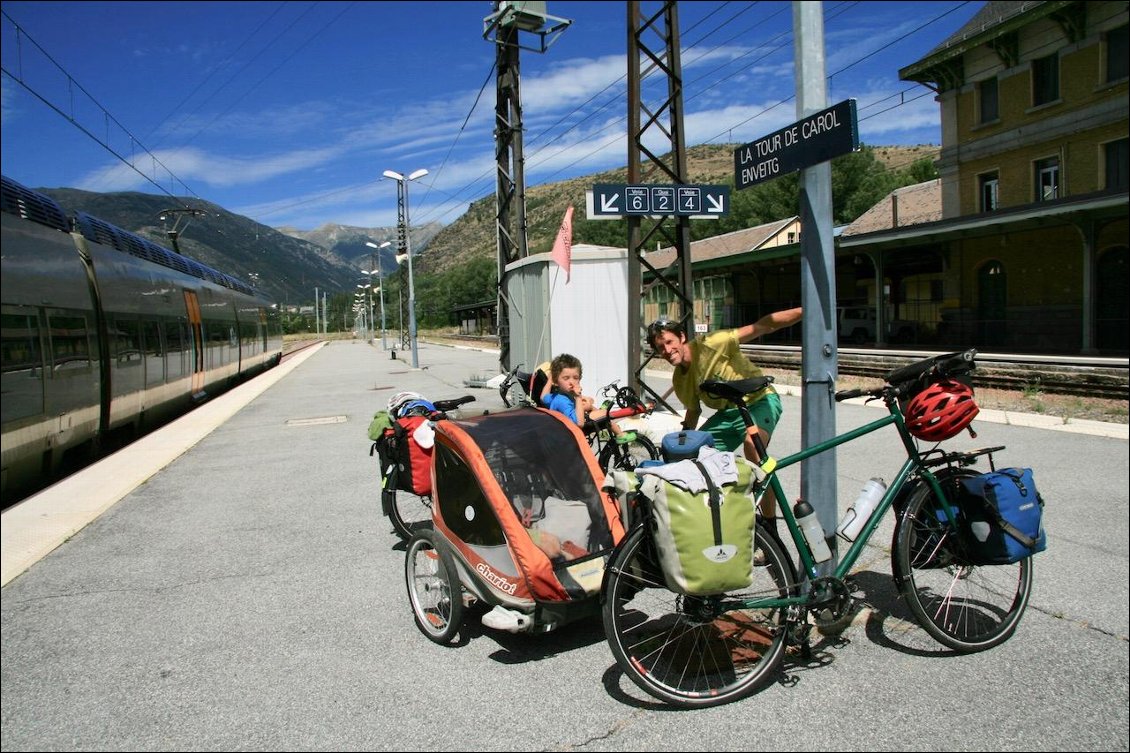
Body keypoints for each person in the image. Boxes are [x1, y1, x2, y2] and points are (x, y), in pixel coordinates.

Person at [647, 307, 802, 523]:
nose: (667, 349)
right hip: (729, 414)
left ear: (682, 337)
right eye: (660, 347)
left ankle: (770, 524)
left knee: (753, 449)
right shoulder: (679, 379)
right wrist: (681, 449)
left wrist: (806, 311)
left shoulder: (712, 343)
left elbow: (763, 326)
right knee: (694, 458)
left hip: (759, 401)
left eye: (670, 342)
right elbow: (693, 412)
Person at [541, 353, 624, 439]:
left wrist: (550, 380)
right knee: (604, 413)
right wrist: (578, 397)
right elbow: (579, 423)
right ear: (556, 381)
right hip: (571, 432)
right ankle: (620, 435)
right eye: (566, 378)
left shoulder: (555, 396)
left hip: (566, 428)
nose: (571, 382)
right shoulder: (562, 401)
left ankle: (596, 412)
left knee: (588, 403)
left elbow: (543, 397)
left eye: (575, 378)